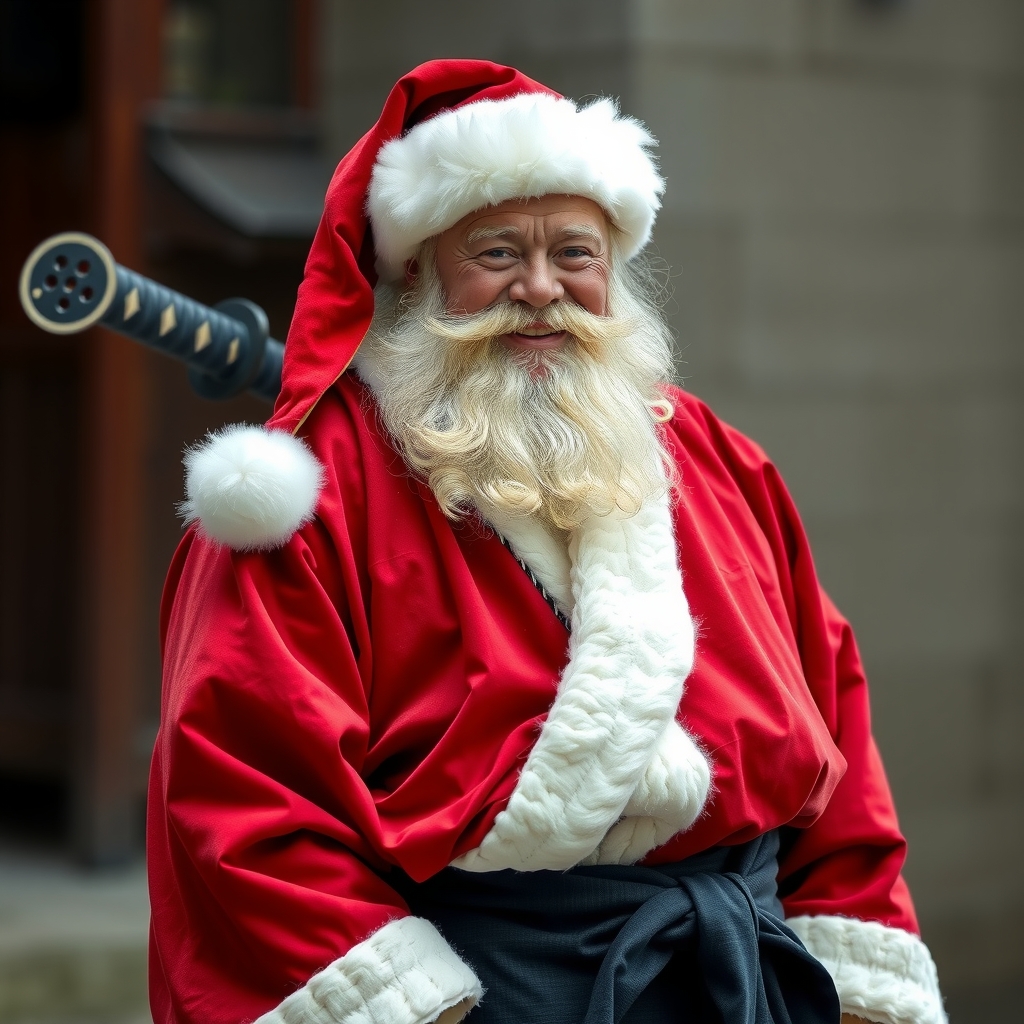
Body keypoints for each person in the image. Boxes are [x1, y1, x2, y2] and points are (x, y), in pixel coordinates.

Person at [148, 60, 946, 1024]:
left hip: (740, 972)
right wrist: (420, 1008)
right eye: (495, 252)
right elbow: (243, 794)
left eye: (575, 251)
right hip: (482, 988)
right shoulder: (312, 493)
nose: (540, 287)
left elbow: (838, 732)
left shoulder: (716, 457)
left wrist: (861, 985)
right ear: (419, 271)